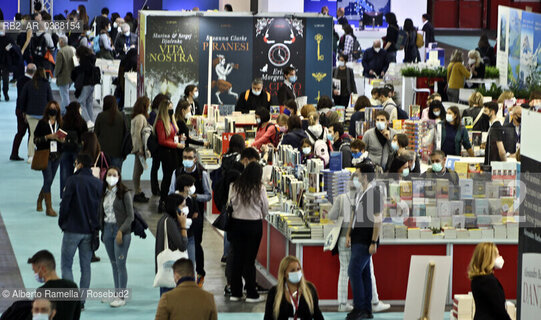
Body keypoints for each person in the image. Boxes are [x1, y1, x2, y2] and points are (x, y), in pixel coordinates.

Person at [59, 153, 102, 309]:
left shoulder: (72, 181)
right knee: (86, 266)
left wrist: (62, 222)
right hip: (90, 231)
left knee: (66, 265)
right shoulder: (98, 183)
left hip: (72, 229)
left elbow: (65, 204)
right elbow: (100, 209)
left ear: (80, 164)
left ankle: (70, 300)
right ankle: (81, 302)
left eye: (76, 163)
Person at [346, 162, 385, 320]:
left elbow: (377, 220)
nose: (356, 177)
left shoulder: (375, 194)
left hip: (366, 240)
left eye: (358, 174)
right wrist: (349, 234)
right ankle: (366, 309)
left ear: (365, 176)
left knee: (353, 271)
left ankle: (360, 308)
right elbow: (353, 216)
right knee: (364, 274)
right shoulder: (359, 193)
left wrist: (374, 242)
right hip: (357, 237)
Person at [170, 147, 212, 287]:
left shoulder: (202, 174)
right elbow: (170, 193)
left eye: (189, 157)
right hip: (179, 216)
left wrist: (194, 197)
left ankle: (199, 273)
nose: (186, 160)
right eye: (184, 157)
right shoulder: (176, 172)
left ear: (195, 158)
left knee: (196, 244)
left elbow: (208, 195)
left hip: (196, 216)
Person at [228, 162, 268, 302]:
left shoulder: (234, 186)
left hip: (236, 224)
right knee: (249, 260)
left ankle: (235, 292)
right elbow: (265, 209)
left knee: (237, 258)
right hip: (253, 225)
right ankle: (251, 293)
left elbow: (230, 204)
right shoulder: (260, 188)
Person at [99, 166, 133, 307]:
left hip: (121, 232)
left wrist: (121, 231)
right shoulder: (103, 193)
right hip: (107, 230)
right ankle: (116, 292)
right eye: (109, 174)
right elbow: (101, 213)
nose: (111, 177)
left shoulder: (125, 193)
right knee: (113, 263)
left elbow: (131, 216)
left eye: (114, 174)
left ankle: (122, 296)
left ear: (119, 177)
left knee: (120, 264)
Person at [264, 256, 323, 320]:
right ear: (284, 274)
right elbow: (268, 317)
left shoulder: (310, 289)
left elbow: (317, 314)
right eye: (292, 270)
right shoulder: (274, 292)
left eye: (298, 269)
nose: (296, 272)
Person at [28, 250, 81, 319]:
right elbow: (76, 315)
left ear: (43, 269)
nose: (35, 274)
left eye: (34, 270)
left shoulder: (41, 292)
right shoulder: (73, 287)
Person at [33, 101, 64, 216]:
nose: (53, 109)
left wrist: (61, 140)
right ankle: (48, 208)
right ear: (47, 110)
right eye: (51, 108)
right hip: (45, 155)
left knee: (49, 180)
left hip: (57, 155)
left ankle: (40, 199)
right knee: (48, 178)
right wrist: (48, 137)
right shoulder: (42, 123)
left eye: (55, 108)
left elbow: (64, 139)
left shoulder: (61, 123)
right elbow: (35, 140)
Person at [155, 194, 189, 296]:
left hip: (165, 268)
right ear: (175, 208)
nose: (185, 208)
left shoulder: (164, 219)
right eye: (182, 206)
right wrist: (183, 226)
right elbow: (183, 245)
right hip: (171, 270)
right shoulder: (169, 222)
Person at [468, 242, 511, 320]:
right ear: (489, 258)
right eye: (497, 255)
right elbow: (499, 310)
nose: (500, 257)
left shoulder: (477, 279)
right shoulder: (488, 281)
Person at [155, 99, 182, 213]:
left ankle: (169, 201)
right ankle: (163, 201)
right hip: (167, 153)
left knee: (172, 177)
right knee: (167, 177)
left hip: (173, 152)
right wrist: (176, 144)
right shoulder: (161, 122)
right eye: (169, 107)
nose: (171, 109)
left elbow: (174, 133)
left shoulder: (170, 121)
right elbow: (162, 141)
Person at [21, 67, 53, 162]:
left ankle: (31, 155)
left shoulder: (28, 84)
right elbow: (50, 100)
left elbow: (22, 99)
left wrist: (23, 111)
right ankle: (45, 154)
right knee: (46, 135)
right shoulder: (47, 85)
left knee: (32, 134)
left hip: (30, 114)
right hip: (44, 114)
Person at [60, 102, 88, 198]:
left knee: (65, 174)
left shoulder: (63, 121)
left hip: (65, 150)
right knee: (78, 174)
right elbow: (85, 137)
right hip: (77, 151)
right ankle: (76, 195)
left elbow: (60, 136)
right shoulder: (82, 122)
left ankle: (64, 195)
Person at [10, 63, 36, 161]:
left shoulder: (20, 80)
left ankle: (14, 153)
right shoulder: (32, 83)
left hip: (19, 109)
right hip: (27, 111)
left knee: (20, 132)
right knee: (31, 132)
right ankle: (30, 154)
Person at [95, 95, 126, 170]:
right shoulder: (121, 116)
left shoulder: (101, 116)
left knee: (103, 175)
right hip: (118, 152)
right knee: (115, 176)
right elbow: (126, 134)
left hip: (103, 152)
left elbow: (95, 134)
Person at [131, 96, 151, 203]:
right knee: (137, 170)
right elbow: (137, 135)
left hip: (139, 148)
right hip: (139, 148)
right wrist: (140, 149)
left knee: (139, 170)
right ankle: (137, 192)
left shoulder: (139, 117)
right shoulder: (140, 118)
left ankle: (138, 190)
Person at [71, 46, 97, 126]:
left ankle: (88, 121)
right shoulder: (92, 58)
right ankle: (92, 121)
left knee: (81, 102)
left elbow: (81, 71)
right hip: (92, 84)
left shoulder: (84, 61)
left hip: (85, 84)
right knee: (89, 102)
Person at [149, 93, 169, 196]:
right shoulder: (155, 115)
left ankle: (156, 188)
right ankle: (155, 188)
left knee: (155, 167)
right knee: (155, 167)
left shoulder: (155, 114)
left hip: (158, 145)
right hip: (157, 146)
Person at [54, 35, 75, 115]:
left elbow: (58, 66)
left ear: (61, 42)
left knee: (64, 96)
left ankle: (67, 112)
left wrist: (55, 75)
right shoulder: (71, 49)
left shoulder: (60, 52)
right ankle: (62, 111)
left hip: (63, 77)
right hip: (70, 77)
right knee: (65, 95)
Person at [0, 29, 16, 101]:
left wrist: (8, 47)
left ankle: (5, 93)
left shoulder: (9, 38)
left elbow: (13, 44)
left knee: (5, 79)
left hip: (6, 61)